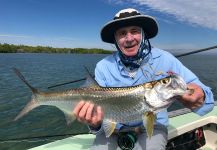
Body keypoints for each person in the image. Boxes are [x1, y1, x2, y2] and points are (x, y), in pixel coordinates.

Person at [73, 8, 214, 149]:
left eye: (134, 31)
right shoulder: (103, 66)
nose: (129, 38)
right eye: (122, 33)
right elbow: (97, 117)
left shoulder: (166, 59)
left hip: (152, 127)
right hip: (112, 129)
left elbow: (206, 102)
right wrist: (94, 123)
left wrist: (199, 96)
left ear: (143, 34)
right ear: (115, 40)